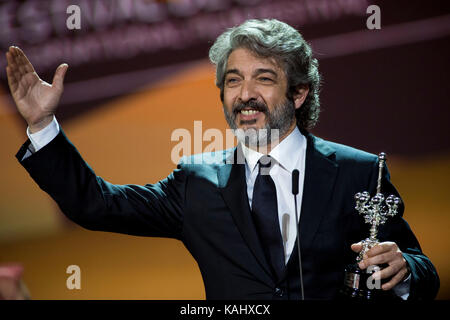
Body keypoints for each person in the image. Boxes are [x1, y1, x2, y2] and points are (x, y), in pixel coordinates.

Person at [6, 19, 439, 300]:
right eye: (233, 81)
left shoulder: (359, 171)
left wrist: (405, 270)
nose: (245, 94)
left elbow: (422, 269)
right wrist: (44, 125)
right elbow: (95, 204)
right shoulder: (196, 181)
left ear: (300, 93)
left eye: (263, 79)